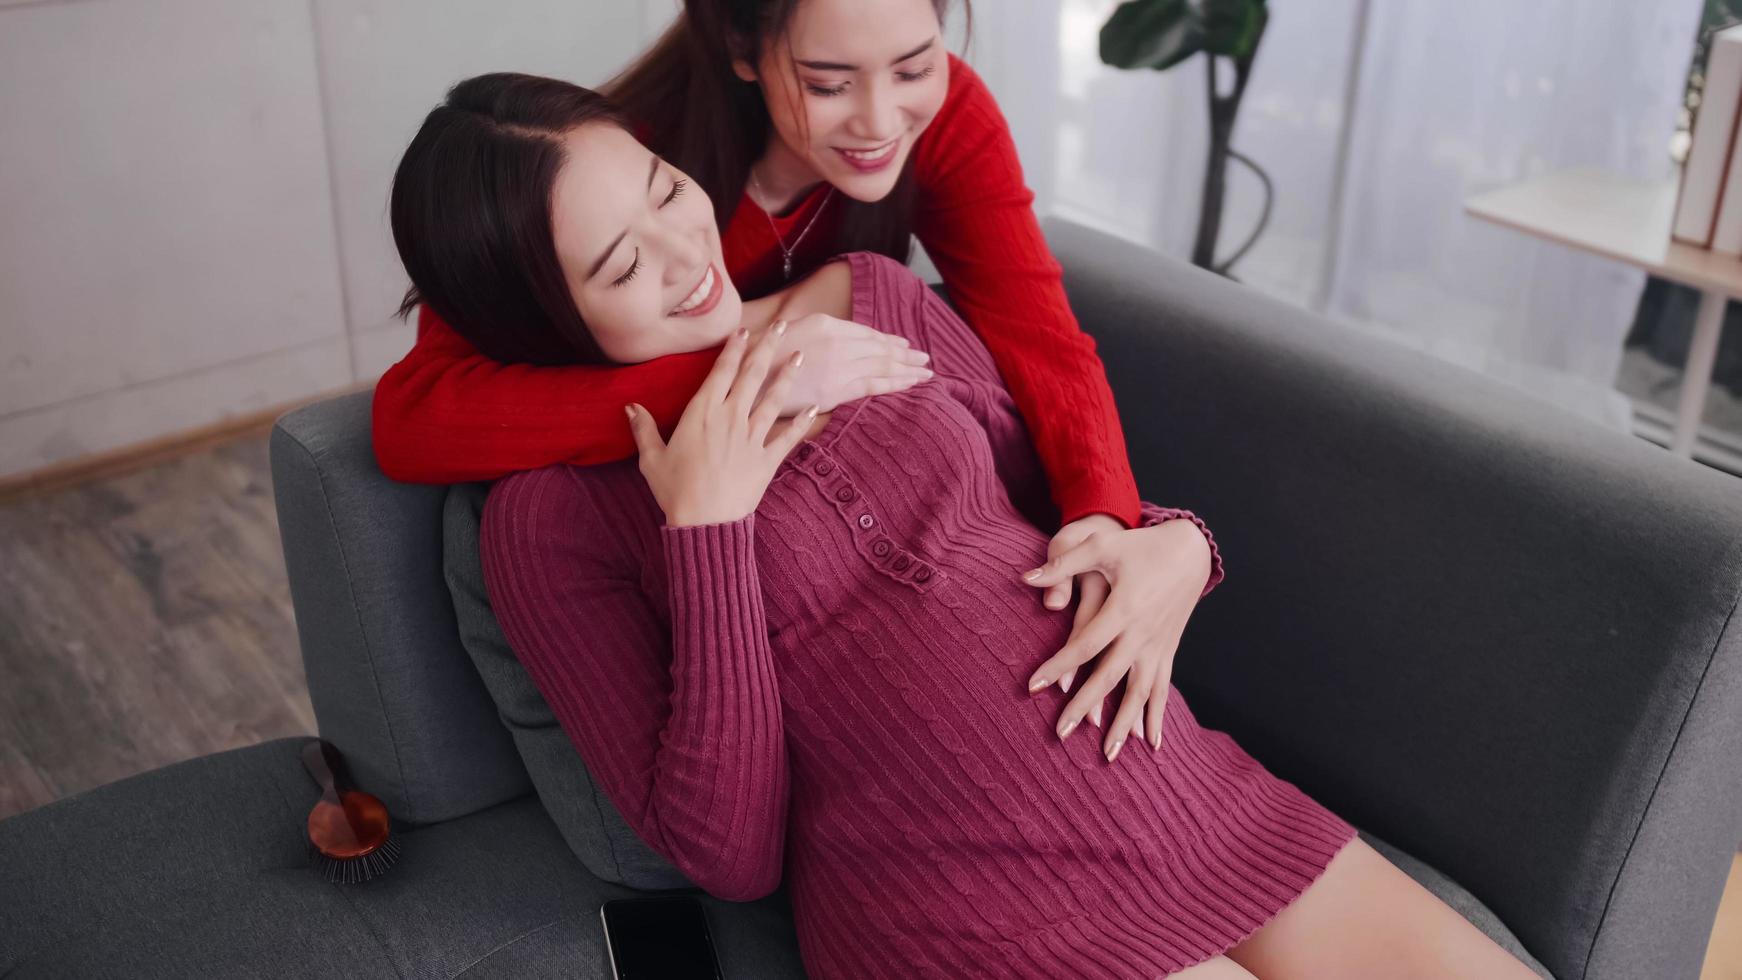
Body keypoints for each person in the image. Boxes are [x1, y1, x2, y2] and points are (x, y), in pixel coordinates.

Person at [388, 72, 1543, 980]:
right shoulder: (549, 522)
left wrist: (1177, 540)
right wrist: (707, 529)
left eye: (662, 191)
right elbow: (725, 852)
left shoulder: (870, 295)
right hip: (957, 908)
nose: (691, 255)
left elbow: (1052, 523)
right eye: (624, 262)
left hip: (1177, 788)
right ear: (541, 320)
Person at [373, 0, 1180, 751]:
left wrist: (1113, 521)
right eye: (827, 83)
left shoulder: (943, 118)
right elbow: (413, 418)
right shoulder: (604, 171)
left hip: (881, 532)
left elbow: (1039, 339)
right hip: (738, 574)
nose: (878, 118)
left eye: (914, 65)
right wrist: (755, 371)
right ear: (740, 46)